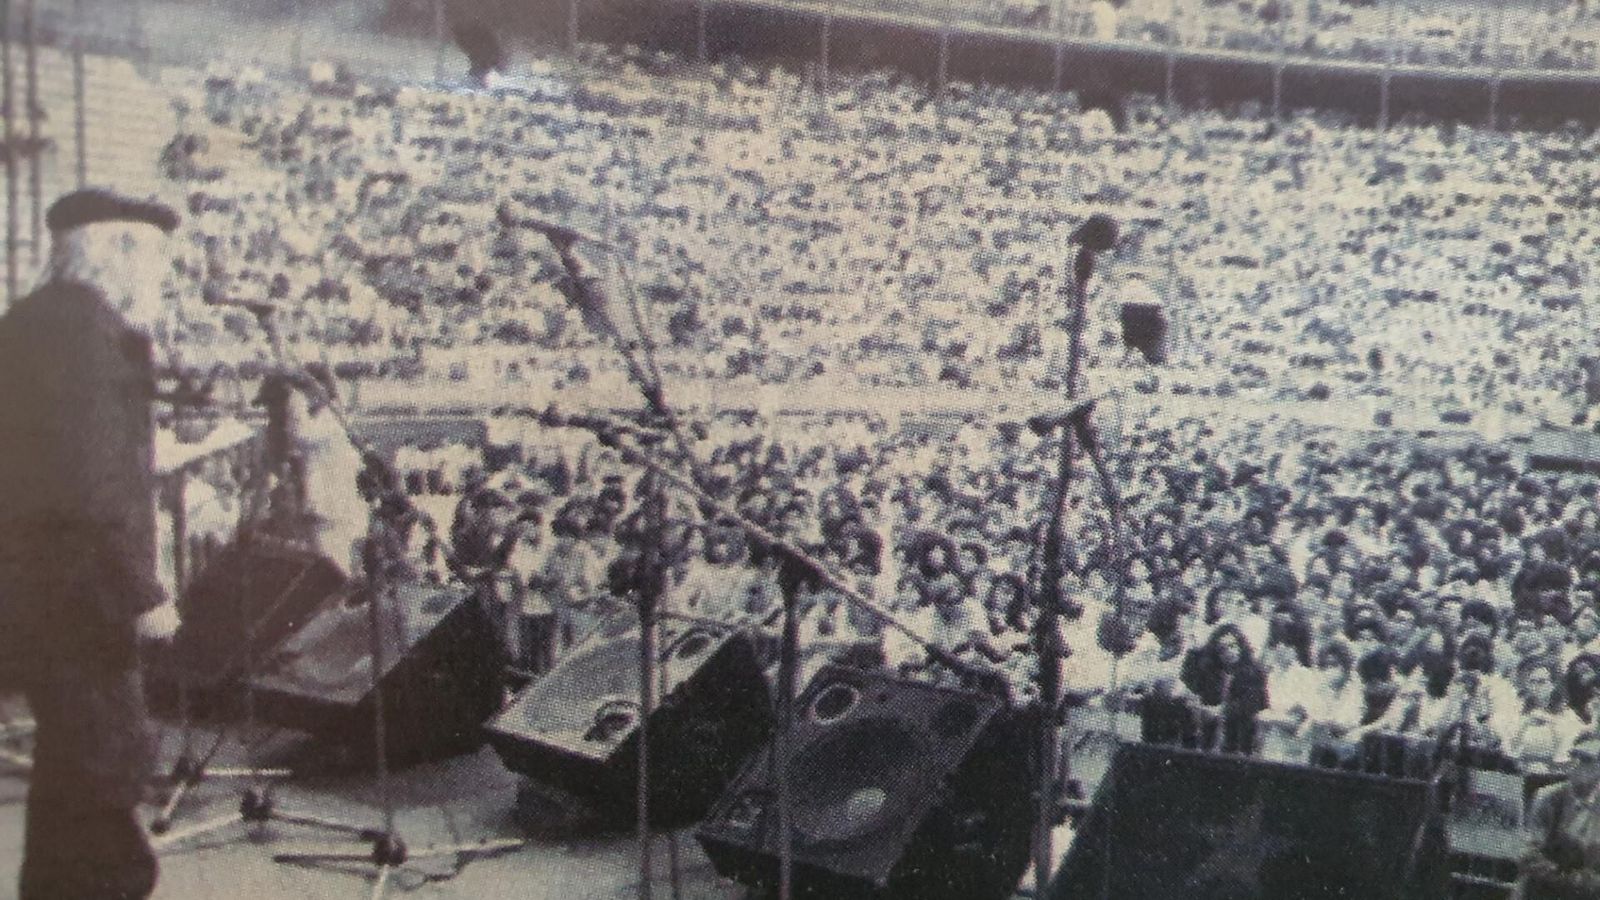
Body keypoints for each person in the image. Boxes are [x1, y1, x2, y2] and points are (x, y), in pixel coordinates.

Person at [0, 188, 185, 900]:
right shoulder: (91, 336)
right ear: (122, 251)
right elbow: (90, 488)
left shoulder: (30, 323)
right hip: (82, 598)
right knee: (105, 770)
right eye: (156, 261)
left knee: (71, 773)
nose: (160, 280)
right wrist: (145, 592)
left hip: (38, 591)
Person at [1523, 732, 1600, 899]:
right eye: (1574, 757)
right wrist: (1563, 879)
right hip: (1544, 889)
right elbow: (1530, 852)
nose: (1576, 764)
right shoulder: (1549, 797)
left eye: (1586, 760)